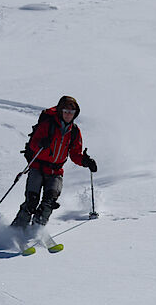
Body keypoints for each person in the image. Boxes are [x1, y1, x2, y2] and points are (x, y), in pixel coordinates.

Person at [11, 95, 97, 228]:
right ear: (60, 111)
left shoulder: (74, 131)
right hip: (38, 167)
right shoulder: (48, 125)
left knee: (50, 201)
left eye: (72, 113)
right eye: (66, 112)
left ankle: (37, 227)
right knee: (31, 201)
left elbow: (75, 154)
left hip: (56, 171)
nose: (69, 115)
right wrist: (41, 143)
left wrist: (85, 161)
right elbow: (33, 144)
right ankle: (17, 228)